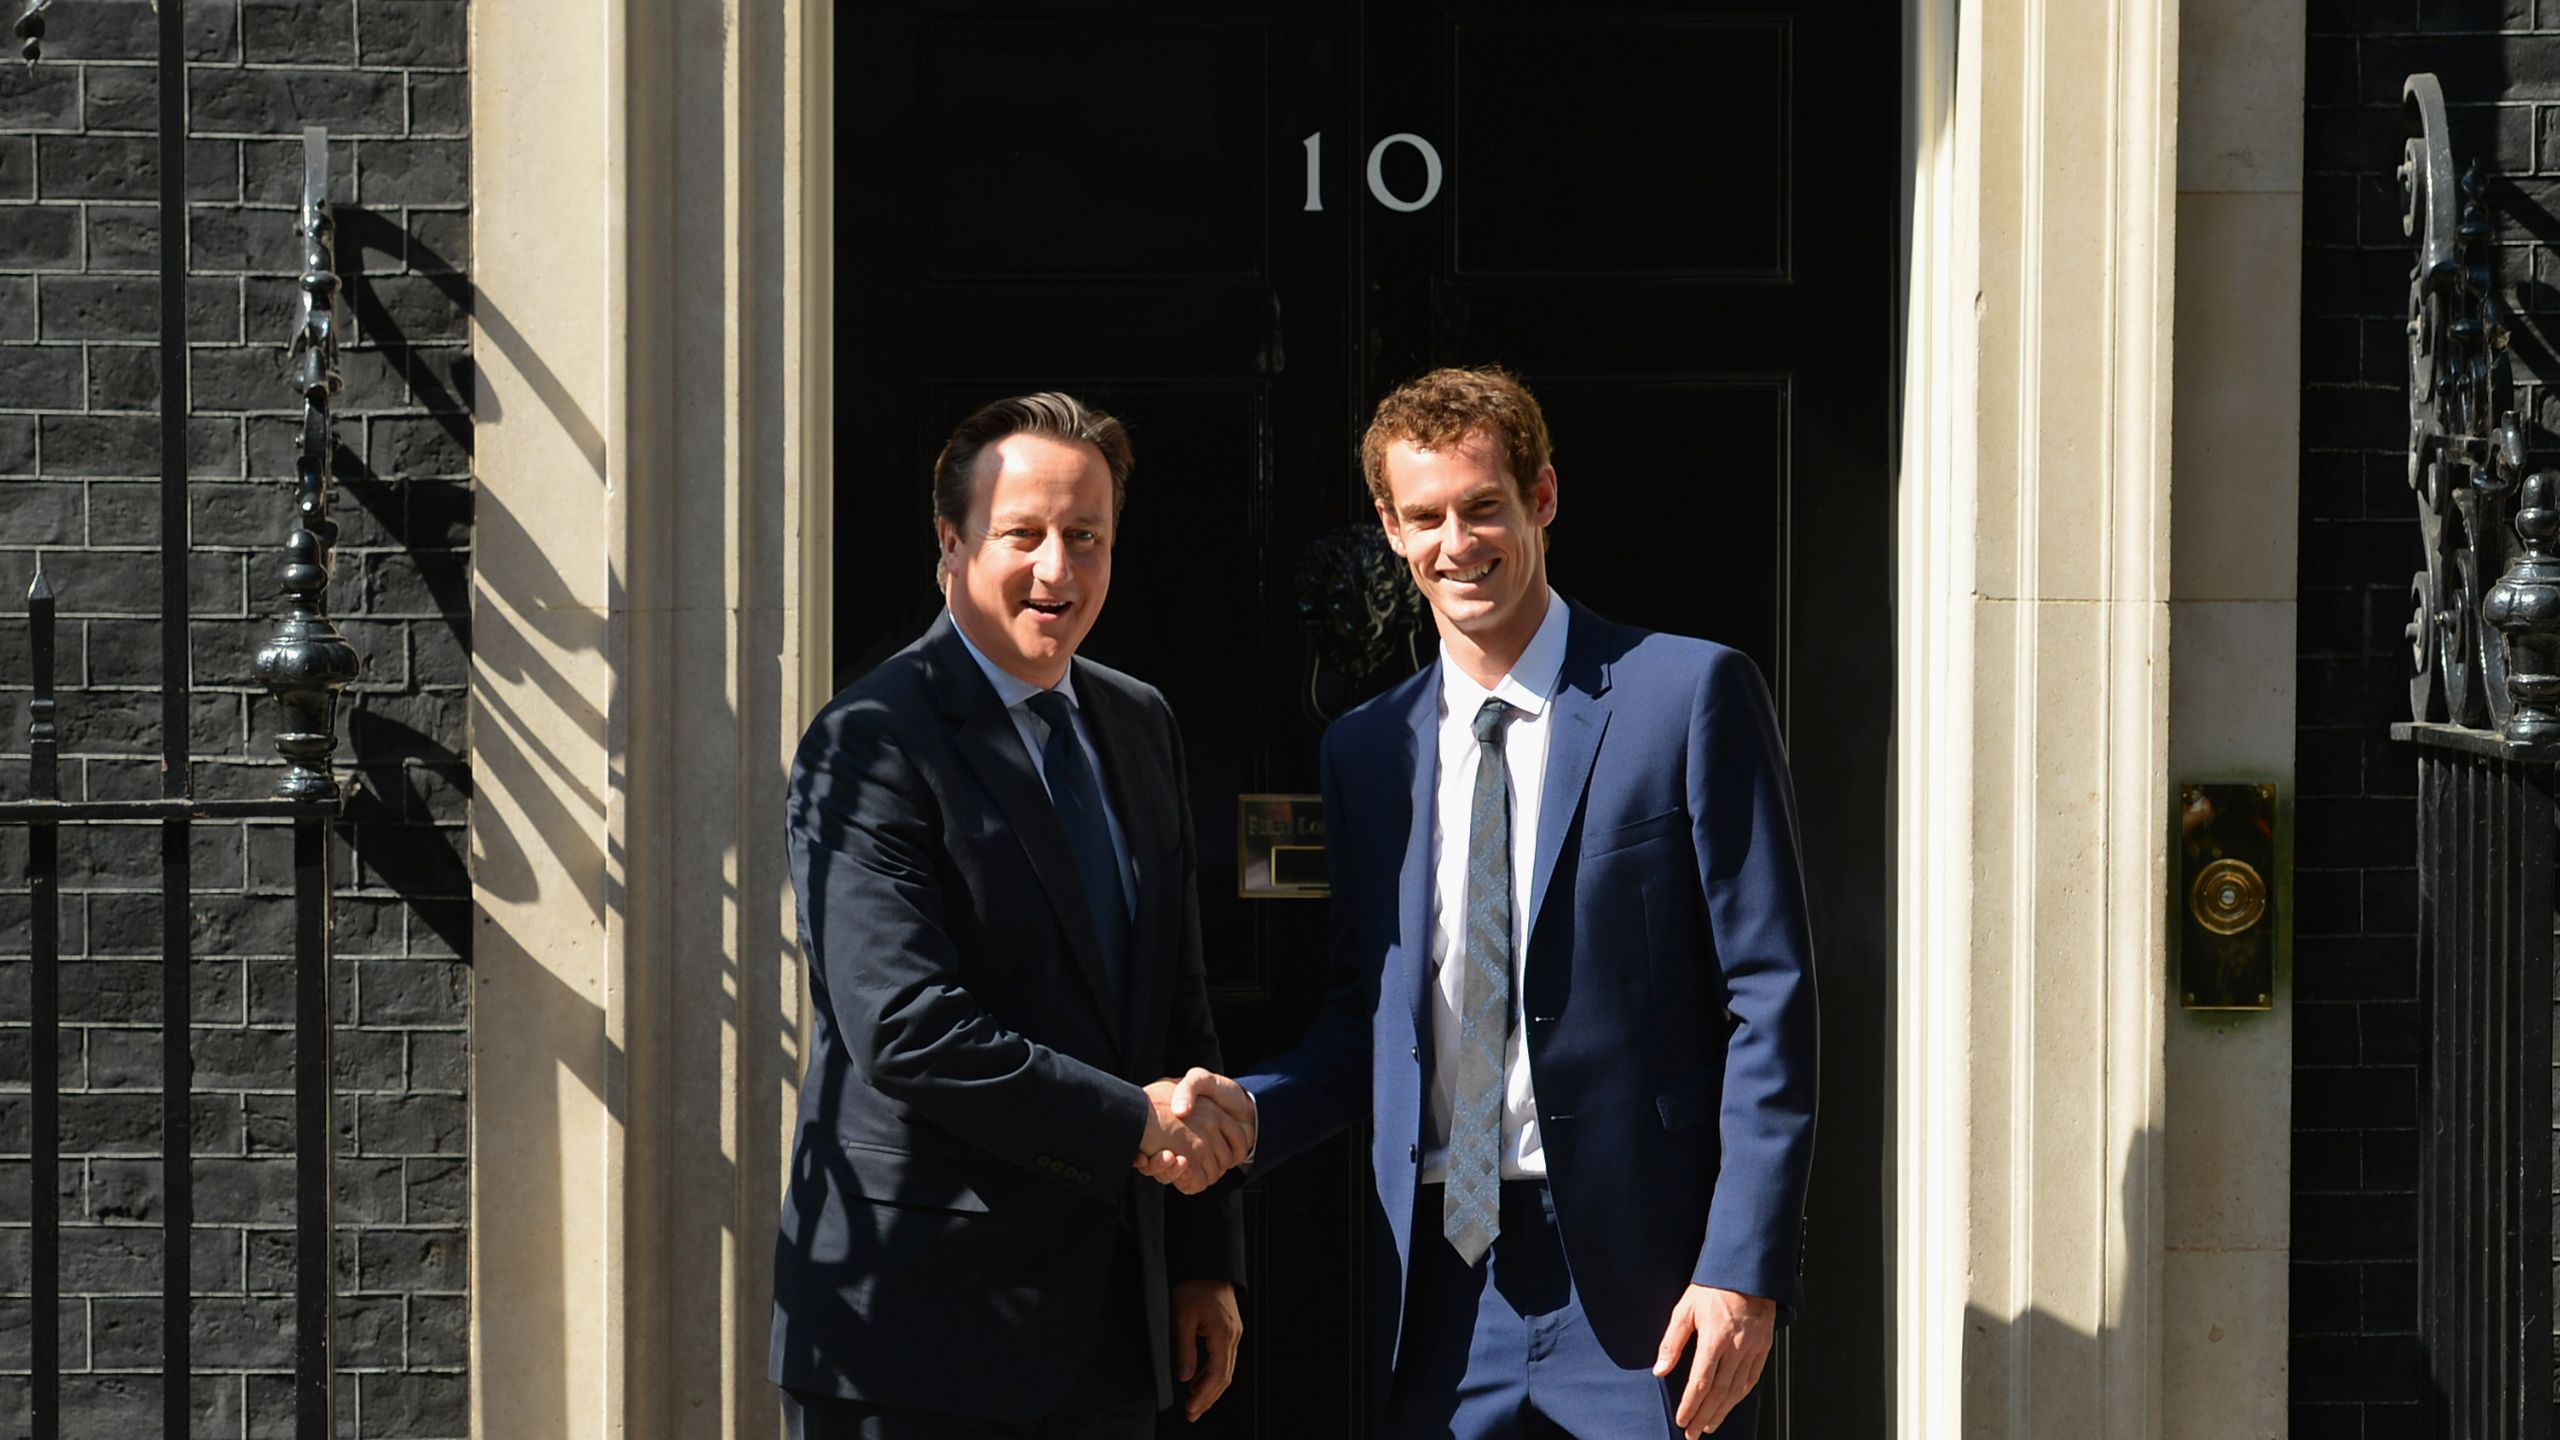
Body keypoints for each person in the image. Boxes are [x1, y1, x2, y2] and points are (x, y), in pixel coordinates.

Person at [1218, 367, 1819, 1439]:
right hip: (1445, 1291)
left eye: (1483, 505)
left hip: (1646, 1290)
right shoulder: (1365, 752)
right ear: (1392, 530)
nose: (1459, 542)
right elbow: (1367, 1019)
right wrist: (1242, 1116)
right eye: (1427, 516)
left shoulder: (1686, 694)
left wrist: (1744, 1266)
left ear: (1541, 498)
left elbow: (1767, 995)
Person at [770, 393, 1253, 1439]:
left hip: (1116, 1340)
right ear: (950, 543)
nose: (1058, 571)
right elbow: (904, 1026)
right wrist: (1136, 1126)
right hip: (917, 1336)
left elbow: (1175, 1007)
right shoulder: (871, 741)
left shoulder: (1138, 722)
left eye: (1086, 537)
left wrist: (1202, 1257)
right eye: (1022, 535)